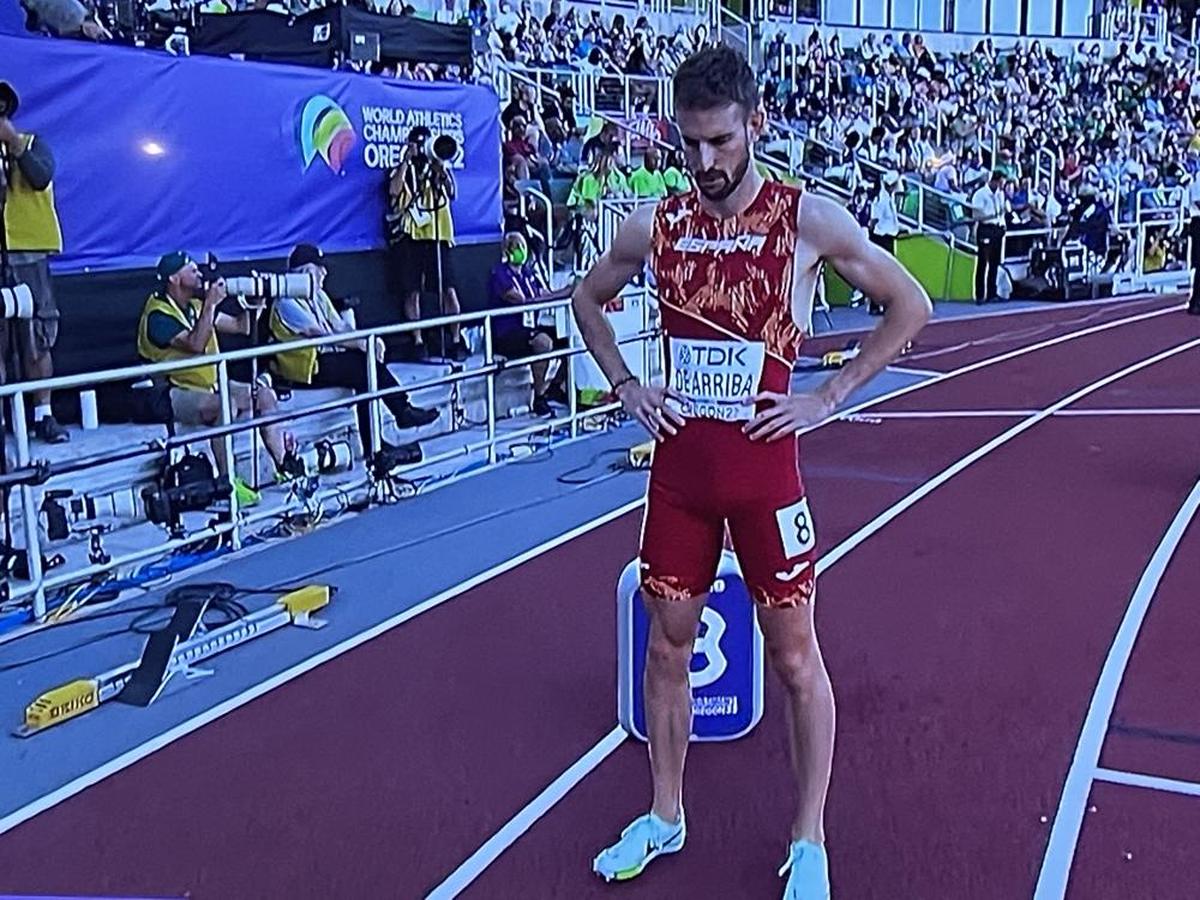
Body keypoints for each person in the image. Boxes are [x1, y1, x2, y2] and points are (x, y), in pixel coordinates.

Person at [571, 46, 931, 899]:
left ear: (755, 125)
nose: (704, 163)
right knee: (666, 648)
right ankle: (665, 814)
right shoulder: (655, 225)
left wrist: (830, 394)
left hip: (767, 479)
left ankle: (808, 837)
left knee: (797, 658)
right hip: (681, 481)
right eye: (689, 145)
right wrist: (626, 383)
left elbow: (909, 303)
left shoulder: (806, 219)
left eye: (721, 142)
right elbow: (587, 300)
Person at [137, 252, 304, 502]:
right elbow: (195, 343)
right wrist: (212, 304)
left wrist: (254, 303)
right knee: (226, 406)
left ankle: (284, 464)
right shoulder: (157, 315)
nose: (200, 275)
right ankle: (228, 483)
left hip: (211, 384)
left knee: (264, 395)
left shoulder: (195, 306)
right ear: (174, 278)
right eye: (192, 271)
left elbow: (241, 326)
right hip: (174, 391)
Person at [269, 243, 435, 465]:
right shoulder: (286, 300)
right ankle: (399, 414)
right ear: (306, 271)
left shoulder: (318, 296)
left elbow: (340, 327)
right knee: (361, 365)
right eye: (320, 268)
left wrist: (369, 341)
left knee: (365, 372)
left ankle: (377, 442)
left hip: (326, 358)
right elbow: (319, 335)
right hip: (304, 367)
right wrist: (362, 345)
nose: (324, 273)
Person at [0, 80, 69, 442]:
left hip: (28, 253)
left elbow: (41, 176)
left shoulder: (32, 143)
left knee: (37, 335)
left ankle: (44, 414)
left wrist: (12, 144)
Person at [388, 126, 468, 361]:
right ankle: (418, 341)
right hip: (411, 235)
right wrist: (406, 161)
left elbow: (452, 193)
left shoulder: (438, 167)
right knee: (412, 291)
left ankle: (455, 338)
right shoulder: (404, 168)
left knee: (448, 290)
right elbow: (394, 191)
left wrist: (440, 168)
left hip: (438, 235)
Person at [486, 232, 573, 416]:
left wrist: (569, 291)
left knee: (570, 339)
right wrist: (547, 298)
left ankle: (556, 386)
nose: (520, 250)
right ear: (506, 250)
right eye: (515, 246)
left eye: (522, 245)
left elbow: (544, 295)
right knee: (543, 343)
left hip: (529, 327)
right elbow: (520, 300)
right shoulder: (499, 273)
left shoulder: (528, 272)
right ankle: (539, 397)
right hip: (506, 333)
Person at [971, 170, 1008, 304]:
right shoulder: (980, 194)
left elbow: (1002, 212)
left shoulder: (1000, 194)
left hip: (997, 228)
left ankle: (992, 293)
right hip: (986, 228)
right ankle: (980, 294)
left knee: (994, 263)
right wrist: (991, 216)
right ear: (995, 181)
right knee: (982, 262)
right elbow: (976, 215)